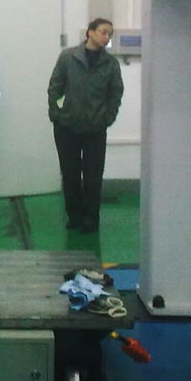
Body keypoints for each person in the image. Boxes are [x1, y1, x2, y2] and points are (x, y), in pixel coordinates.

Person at [47, 17, 124, 233]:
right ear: (90, 32)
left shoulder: (110, 64)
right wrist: (56, 114)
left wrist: (108, 118)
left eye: (110, 34)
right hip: (66, 127)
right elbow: (55, 87)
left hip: (95, 129)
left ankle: (91, 218)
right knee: (70, 174)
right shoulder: (68, 57)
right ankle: (74, 216)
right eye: (103, 32)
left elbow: (115, 93)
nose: (106, 37)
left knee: (93, 176)